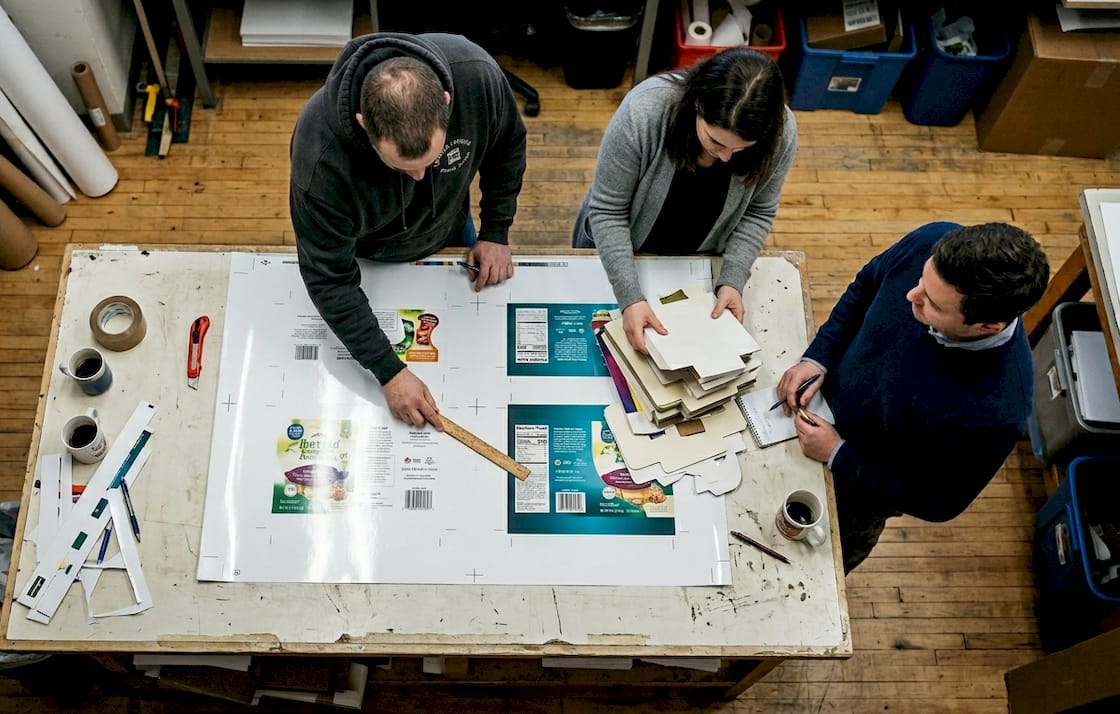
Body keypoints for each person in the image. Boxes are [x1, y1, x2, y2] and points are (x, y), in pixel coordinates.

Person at [775, 222, 1050, 572]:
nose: (911, 296)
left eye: (931, 303)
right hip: (811, 408)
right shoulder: (933, 241)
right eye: (921, 279)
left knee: (807, 570)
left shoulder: (996, 412)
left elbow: (939, 502)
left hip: (856, 489)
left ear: (986, 326)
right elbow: (867, 284)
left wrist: (838, 453)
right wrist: (819, 356)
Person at [290, 33, 527, 429]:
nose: (419, 177)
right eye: (402, 167)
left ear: (447, 104)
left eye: (429, 162)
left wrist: (496, 231)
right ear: (365, 125)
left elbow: (507, 145)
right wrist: (390, 371)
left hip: (452, 228)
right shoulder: (319, 159)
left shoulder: (477, 77)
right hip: (370, 255)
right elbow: (329, 279)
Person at [573, 47, 796, 354]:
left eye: (741, 148)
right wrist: (630, 298)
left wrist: (732, 279)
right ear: (696, 104)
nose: (726, 156)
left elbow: (758, 211)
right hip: (622, 252)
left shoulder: (781, 135)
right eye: (715, 141)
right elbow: (608, 210)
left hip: (699, 265)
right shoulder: (644, 111)